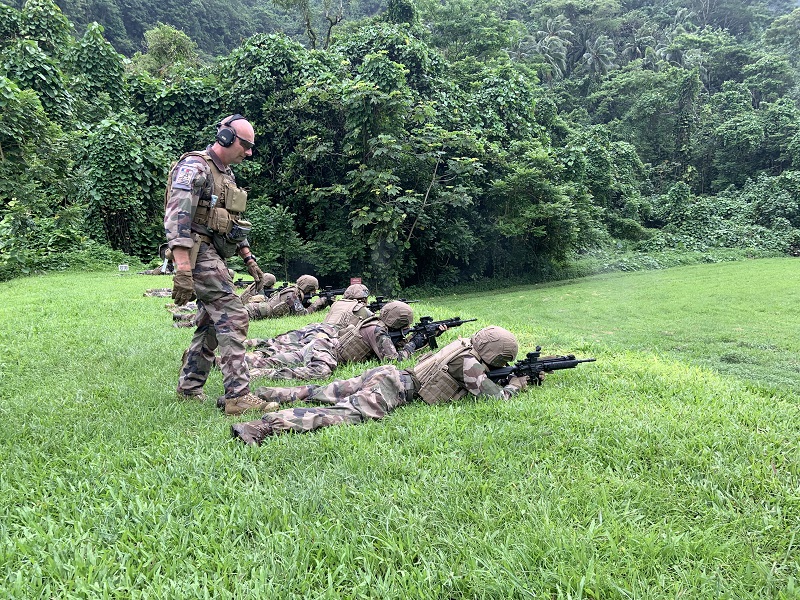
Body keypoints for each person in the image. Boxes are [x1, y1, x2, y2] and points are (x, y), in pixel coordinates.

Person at [231, 326, 535, 444]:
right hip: (395, 387)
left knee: (322, 390)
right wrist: (519, 383)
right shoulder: (470, 363)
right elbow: (495, 398)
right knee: (343, 413)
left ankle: (264, 392)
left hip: (389, 372)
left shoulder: (464, 347)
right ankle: (262, 426)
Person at [164, 113, 275, 416]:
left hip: (215, 253)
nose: (249, 152)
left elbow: (232, 223)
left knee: (212, 322)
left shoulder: (226, 175)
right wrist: (183, 270)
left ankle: (189, 386)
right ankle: (238, 396)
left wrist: (249, 259)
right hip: (198, 254)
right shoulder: (194, 167)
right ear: (226, 137)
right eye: (246, 145)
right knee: (233, 314)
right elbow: (177, 220)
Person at [246, 300, 445, 381]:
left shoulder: (378, 324)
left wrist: (427, 337)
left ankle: (234, 361)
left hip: (323, 345)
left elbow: (394, 346)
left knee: (279, 357)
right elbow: (393, 360)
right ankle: (263, 373)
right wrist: (414, 343)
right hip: (326, 352)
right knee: (320, 372)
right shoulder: (379, 332)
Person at [245, 283, 373, 355]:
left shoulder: (337, 304)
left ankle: (250, 343)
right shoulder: (360, 308)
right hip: (327, 333)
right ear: (364, 298)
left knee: (283, 339)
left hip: (315, 326)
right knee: (294, 346)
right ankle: (258, 355)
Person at [245, 275, 326, 321]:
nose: (314, 293)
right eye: (312, 290)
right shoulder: (291, 295)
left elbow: (304, 307)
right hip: (250, 313)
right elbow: (302, 314)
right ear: (307, 288)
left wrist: (324, 304)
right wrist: (318, 303)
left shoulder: (295, 292)